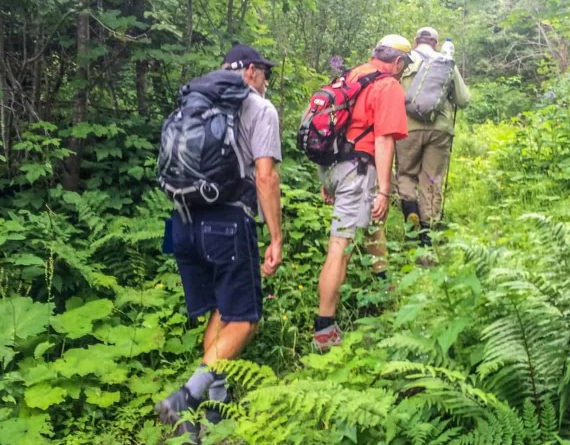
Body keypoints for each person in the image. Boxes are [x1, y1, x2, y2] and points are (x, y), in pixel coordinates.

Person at [155, 44, 283, 434]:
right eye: (265, 73)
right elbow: (265, 177)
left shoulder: (193, 104)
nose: (266, 81)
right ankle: (187, 398)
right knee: (244, 319)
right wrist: (275, 237)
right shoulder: (260, 108)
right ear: (252, 71)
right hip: (227, 223)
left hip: (182, 222)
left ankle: (213, 408)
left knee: (221, 311)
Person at [313, 35, 412, 351]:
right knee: (339, 246)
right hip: (358, 170)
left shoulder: (352, 75)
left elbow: (331, 126)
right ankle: (324, 330)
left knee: (372, 228)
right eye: (404, 66)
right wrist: (384, 190)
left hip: (336, 167)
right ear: (398, 62)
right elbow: (383, 139)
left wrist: (327, 179)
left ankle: (385, 292)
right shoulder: (387, 85)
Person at [397, 27, 470, 246]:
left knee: (406, 174)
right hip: (439, 129)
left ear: (415, 41)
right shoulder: (446, 61)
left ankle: (411, 216)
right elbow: (463, 100)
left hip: (407, 127)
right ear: (435, 44)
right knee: (431, 179)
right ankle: (427, 238)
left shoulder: (403, 61)